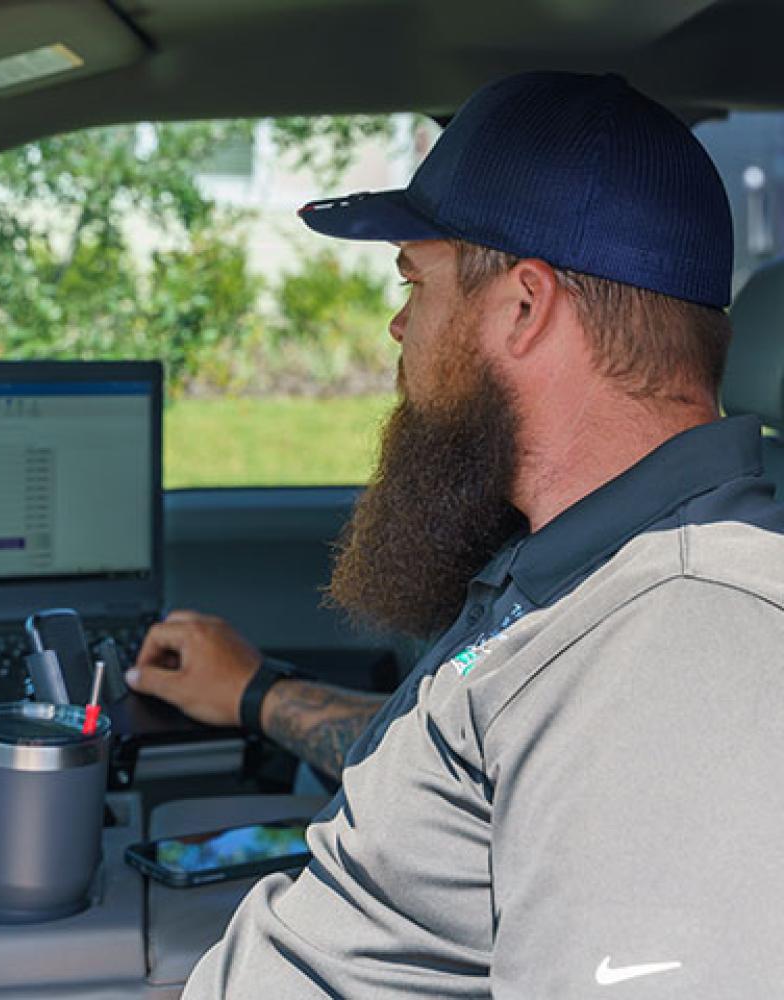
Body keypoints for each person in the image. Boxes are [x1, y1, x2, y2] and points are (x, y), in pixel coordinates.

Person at [128, 71, 784, 997]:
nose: (399, 322)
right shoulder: (581, 567)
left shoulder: (686, 643)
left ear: (524, 307)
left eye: (415, 280)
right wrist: (258, 696)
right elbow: (473, 790)